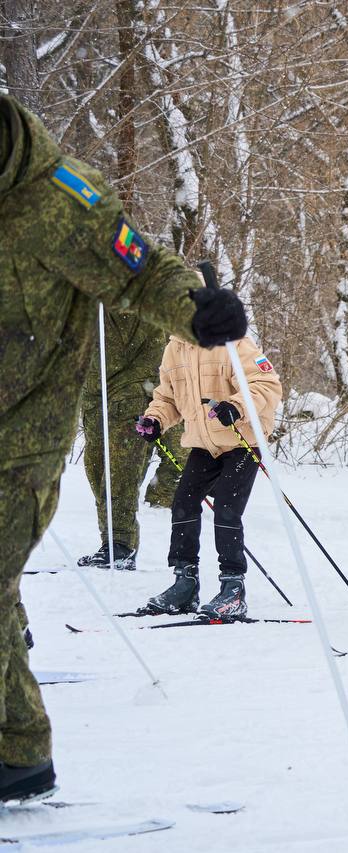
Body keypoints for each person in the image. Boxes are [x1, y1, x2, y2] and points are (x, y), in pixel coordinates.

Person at [0, 94, 248, 803]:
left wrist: (196, 309)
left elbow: (139, 271)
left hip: (23, 430)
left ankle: (18, 752)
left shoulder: (59, 198)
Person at [135, 322, 282, 620]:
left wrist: (236, 406)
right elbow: (167, 398)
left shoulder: (232, 341)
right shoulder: (174, 348)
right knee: (183, 504)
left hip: (243, 440)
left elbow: (267, 385)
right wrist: (156, 419)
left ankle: (233, 589)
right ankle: (185, 583)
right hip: (204, 444)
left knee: (227, 509)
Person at [76, 315, 168, 571]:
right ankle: (109, 542)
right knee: (97, 471)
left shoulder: (134, 304)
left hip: (130, 397)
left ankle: (122, 545)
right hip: (96, 399)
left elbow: (120, 342)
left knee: (119, 474)